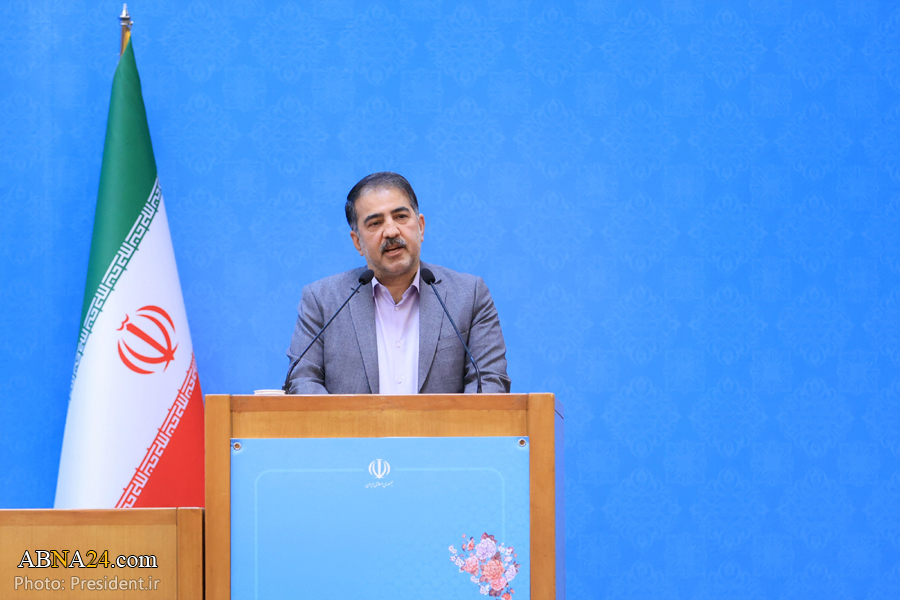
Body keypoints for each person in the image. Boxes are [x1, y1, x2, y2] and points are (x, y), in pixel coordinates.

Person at [286, 172, 510, 394]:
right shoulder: (322, 300)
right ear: (357, 242)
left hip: (445, 421)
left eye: (401, 217)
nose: (391, 231)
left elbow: (489, 382)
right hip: (351, 421)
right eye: (375, 223)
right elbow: (302, 379)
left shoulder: (469, 295)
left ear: (421, 226)